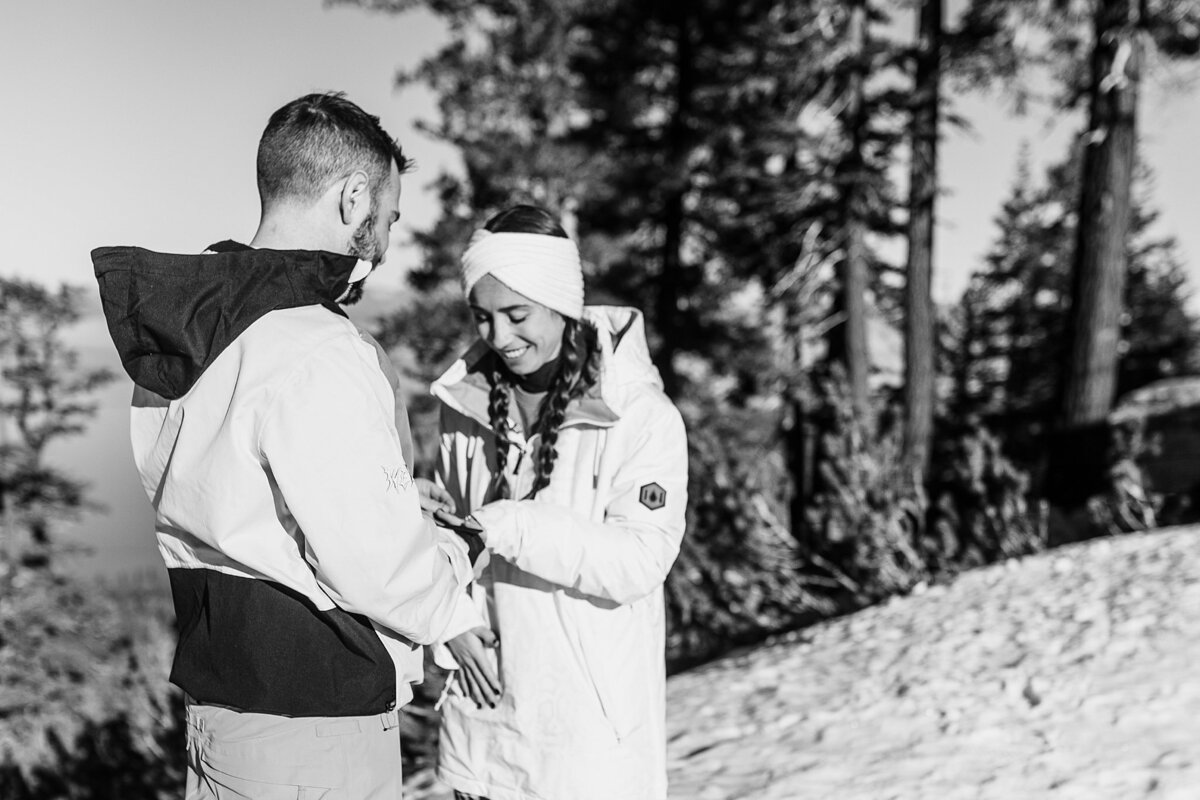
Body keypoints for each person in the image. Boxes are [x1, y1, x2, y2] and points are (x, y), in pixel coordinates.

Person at [92, 92, 481, 799]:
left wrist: (380, 489)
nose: (386, 243)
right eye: (387, 217)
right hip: (316, 724)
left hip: (222, 715)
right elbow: (377, 562)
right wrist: (455, 600)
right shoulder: (318, 346)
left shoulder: (184, 333)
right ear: (353, 196)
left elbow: (224, 496)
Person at [428, 205, 689, 800]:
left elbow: (639, 561)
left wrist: (509, 524)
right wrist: (452, 624)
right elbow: (449, 533)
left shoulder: (641, 416)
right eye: (482, 317)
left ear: (561, 302)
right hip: (482, 736)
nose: (498, 338)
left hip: (585, 753)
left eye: (517, 315)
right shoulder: (464, 404)